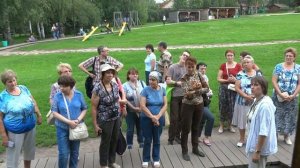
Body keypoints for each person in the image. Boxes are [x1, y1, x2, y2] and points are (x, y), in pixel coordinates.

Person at [0, 69, 42, 168]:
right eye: (9, 81)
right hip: (15, 131)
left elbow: (33, 101)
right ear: (5, 83)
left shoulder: (23, 88)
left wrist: (38, 114)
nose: (13, 83)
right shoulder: (3, 97)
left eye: (14, 80)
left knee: (29, 151)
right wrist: (4, 136)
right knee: (13, 156)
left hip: (30, 127)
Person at [51, 75, 87, 168]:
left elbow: (84, 108)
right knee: (63, 154)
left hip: (76, 128)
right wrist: (68, 122)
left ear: (70, 86)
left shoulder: (79, 95)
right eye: (60, 86)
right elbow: (54, 112)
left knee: (75, 152)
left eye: (64, 86)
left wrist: (78, 120)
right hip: (62, 128)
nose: (61, 88)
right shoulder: (57, 96)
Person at [91, 64, 121, 168]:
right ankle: (103, 164)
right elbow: (94, 108)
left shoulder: (115, 85)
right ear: (103, 74)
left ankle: (111, 162)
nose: (110, 74)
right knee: (105, 141)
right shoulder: (97, 88)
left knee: (114, 139)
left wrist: (123, 109)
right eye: (107, 72)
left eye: (112, 72)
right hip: (105, 119)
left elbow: (117, 100)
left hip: (116, 117)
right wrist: (95, 125)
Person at [180, 57, 208, 161]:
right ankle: (184, 151)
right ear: (185, 66)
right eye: (188, 66)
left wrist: (196, 90)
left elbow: (207, 88)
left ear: (195, 66)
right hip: (187, 106)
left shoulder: (199, 75)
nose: (190, 69)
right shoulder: (184, 78)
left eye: (192, 67)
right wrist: (198, 89)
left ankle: (195, 148)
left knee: (196, 127)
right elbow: (187, 95)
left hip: (199, 105)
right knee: (186, 128)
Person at [246, 76, 277, 168]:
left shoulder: (265, 106)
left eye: (256, 85)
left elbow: (264, 131)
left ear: (263, 88)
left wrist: (257, 151)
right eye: (251, 84)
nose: (252, 87)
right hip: (253, 143)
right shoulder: (257, 100)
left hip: (258, 148)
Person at [272, 47, 300, 145]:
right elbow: (274, 81)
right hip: (278, 96)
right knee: (277, 115)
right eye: (287, 56)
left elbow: (299, 83)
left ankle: (286, 136)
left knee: (290, 116)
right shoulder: (278, 66)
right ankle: (274, 136)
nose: (288, 57)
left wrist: (293, 95)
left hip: (292, 98)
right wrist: (280, 93)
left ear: (294, 57)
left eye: (290, 56)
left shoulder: (298, 68)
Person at [140, 71, 167, 168]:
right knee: (147, 139)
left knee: (157, 139)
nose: (151, 81)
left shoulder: (162, 90)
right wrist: (152, 117)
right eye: (150, 79)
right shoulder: (145, 90)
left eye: (153, 80)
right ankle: (145, 159)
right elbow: (142, 106)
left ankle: (156, 158)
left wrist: (158, 116)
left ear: (158, 80)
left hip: (159, 118)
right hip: (146, 119)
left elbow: (165, 104)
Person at [232, 56, 261, 148]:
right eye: (244, 62)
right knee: (242, 120)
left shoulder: (258, 75)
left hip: (255, 102)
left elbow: (261, 87)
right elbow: (237, 88)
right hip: (242, 101)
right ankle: (241, 138)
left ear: (252, 64)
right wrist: (245, 96)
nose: (245, 64)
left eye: (248, 62)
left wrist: (255, 95)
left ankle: (253, 139)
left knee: (254, 121)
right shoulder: (240, 74)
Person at [165, 50, 191, 145]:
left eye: (187, 56)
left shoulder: (188, 68)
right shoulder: (173, 67)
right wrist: (177, 83)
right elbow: (168, 81)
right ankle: (170, 139)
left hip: (184, 96)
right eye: (183, 55)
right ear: (180, 56)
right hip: (175, 95)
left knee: (182, 118)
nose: (184, 57)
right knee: (174, 118)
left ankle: (177, 136)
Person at [217, 49, 242, 133]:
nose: (230, 57)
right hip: (224, 89)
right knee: (222, 106)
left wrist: (235, 80)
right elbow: (219, 79)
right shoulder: (223, 66)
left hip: (233, 89)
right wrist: (227, 80)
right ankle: (221, 125)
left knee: (232, 107)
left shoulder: (238, 66)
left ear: (234, 56)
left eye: (231, 55)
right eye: (228, 55)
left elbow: (241, 79)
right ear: (226, 56)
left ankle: (230, 125)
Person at [123, 68, 146, 149]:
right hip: (130, 111)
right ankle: (129, 144)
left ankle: (141, 142)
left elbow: (146, 95)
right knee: (130, 128)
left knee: (141, 127)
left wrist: (142, 107)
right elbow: (124, 99)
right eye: (133, 74)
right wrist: (133, 107)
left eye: (136, 73)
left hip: (142, 110)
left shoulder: (142, 83)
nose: (135, 75)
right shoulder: (125, 85)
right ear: (129, 76)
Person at [196, 62, 214, 146]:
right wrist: (207, 92)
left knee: (202, 120)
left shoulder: (205, 77)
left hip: (206, 101)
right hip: (199, 102)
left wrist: (210, 92)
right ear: (197, 69)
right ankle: (206, 137)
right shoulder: (196, 78)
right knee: (211, 118)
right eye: (201, 69)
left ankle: (197, 136)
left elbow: (208, 88)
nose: (203, 70)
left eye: (205, 69)